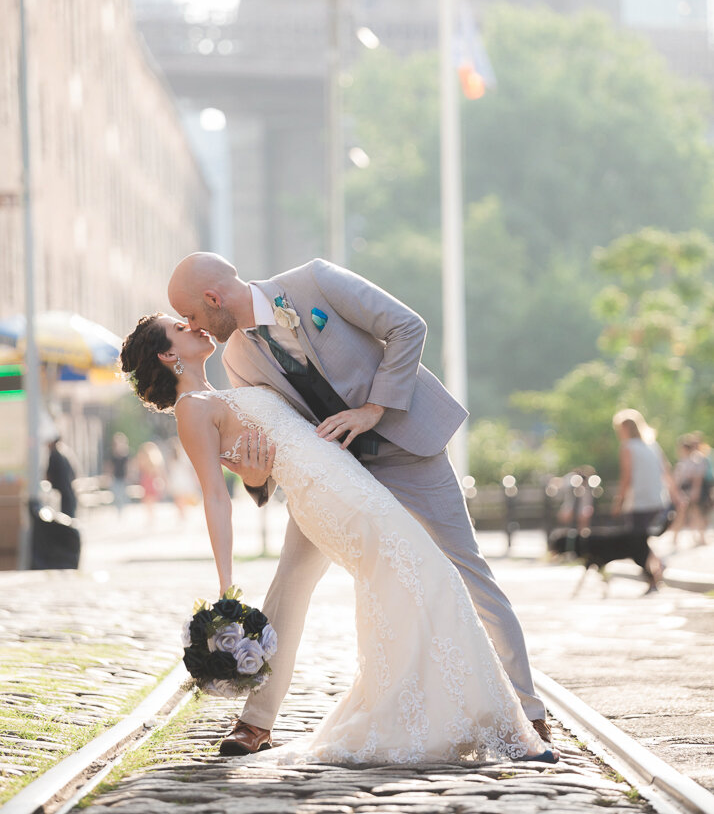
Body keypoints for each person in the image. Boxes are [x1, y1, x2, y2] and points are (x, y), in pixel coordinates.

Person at [120, 313, 556, 766]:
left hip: (352, 484)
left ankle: (454, 715)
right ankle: (504, 728)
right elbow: (215, 497)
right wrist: (226, 585)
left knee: (419, 584)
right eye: (180, 327)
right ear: (169, 355)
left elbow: (260, 457)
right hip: (331, 500)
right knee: (432, 577)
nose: (194, 325)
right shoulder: (192, 407)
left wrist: (253, 469)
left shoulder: (224, 389)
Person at [611, 408, 675, 589]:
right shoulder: (652, 445)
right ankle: (659, 565)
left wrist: (619, 501)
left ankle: (653, 575)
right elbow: (666, 470)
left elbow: (627, 477)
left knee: (638, 541)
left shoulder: (627, 447)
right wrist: (676, 496)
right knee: (644, 539)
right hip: (657, 499)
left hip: (639, 502)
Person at [670, 434, 707, 548]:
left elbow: (697, 479)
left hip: (691, 489)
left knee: (696, 513)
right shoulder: (681, 463)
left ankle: (701, 537)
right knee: (681, 514)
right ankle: (675, 538)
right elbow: (676, 480)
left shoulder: (696, 461)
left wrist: (695, 491)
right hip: (683, 490)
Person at [46, 436, 78, 518]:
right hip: (68, 493)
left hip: (63, 495)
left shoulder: (54, 456)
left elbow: (48, 476)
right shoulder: (63, 455)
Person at [106, 431, 131, 514]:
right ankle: (118, 510)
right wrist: (109, 476)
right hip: (115, 478)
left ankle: (122, 511)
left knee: (123, 495)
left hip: (123, 478)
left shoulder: (126, 454)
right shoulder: (112, 454)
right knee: (116, 495)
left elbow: (128, 466)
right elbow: (110, 466)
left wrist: (129, 476)